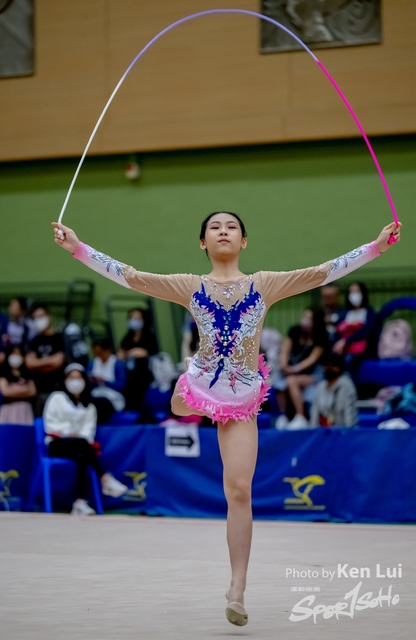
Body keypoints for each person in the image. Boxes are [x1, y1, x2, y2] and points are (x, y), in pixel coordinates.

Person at [52, 213, 400, 626]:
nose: (222, 230)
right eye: (214, 226)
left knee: (238, 490)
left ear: (244, 241)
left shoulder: (264, 284)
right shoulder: (190, 286)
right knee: (178, 404)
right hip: (201, 385)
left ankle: (237, 587)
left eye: (231, 226)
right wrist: (78, 249)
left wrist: (376, 247)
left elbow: (323, 272)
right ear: (203, 242)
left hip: (240, 399)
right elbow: (131, 276)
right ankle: (191, 390)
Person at [43, 363, 128, 515]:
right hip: (57, 444)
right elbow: (50, 423)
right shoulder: (56, 398)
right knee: (82, 444)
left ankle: (79, 503)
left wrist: (79, 437)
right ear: (65, 380)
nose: (75, 382)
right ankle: (105, 478)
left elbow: (89, 431)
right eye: (71, 378)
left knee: (82, 455)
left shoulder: (89, 406)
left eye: (79, 378)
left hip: (79, 446)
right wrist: (68, 432)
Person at [274, 307, 328, 430]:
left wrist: (294, 369)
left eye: (309, 318)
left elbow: (312, 359)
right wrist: (284, 365)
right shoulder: (294, 330)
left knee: (292, 381)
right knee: (278, 381)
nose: (305, 320)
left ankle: (301, 417)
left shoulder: (321, 336)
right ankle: (283, 416)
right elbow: (285, 350)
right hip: (293, 369)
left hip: (313, 373)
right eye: (304, 317)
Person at [25, 305, 66, 415]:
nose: (38, 320)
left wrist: (38, 363)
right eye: (35, 318)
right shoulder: (34, 341)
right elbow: (29, 363)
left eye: (41, 316)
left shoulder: (60, 338)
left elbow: (58, 362)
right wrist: (50, 361)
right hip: (39, 390)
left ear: (49, 317)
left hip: (58, 389)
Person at [117, 308, 158, 411]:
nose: (134, 320)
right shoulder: (127, 337)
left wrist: (129, 353)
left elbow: (144, 352)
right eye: (132, 318)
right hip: (129, 374)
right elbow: (121, 352)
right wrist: (127, 353)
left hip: (145, 374)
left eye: (137, 318)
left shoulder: (149, 336)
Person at [333, 282, 376, 376]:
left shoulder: (369, 312)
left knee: (349, 359)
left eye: (357, 291)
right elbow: (337, 331)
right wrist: (337, 343)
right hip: (343, 348)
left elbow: (366, 332)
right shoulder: (345, 314)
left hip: (362, 349)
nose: (354, 294)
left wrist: (346, 340)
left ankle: (350, 384)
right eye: (351, 292)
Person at [310, 353, 358, 428]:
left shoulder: (347, 386)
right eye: (326, 365)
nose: (329, 368)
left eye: (332, 366)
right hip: (323, 431)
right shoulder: (320, 387)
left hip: (342, 431)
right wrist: (313, 431)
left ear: (339, 368)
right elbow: (314, 417)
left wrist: (348, 432)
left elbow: (350, 419)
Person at [88, 338, 127, 423]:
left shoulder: (117, 364)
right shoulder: (92, 363)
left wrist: (105, 381)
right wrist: (92, 380)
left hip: (113, 396)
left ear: (107, 350)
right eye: (95, 353)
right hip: (95, 394)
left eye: (100, 352)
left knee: (102, 403)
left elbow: (121, 385)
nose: (98, 355)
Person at [0, 344, 36, 425]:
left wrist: (13, 390)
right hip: (9, 409)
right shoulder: (3, 374)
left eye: (19, 354)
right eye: (13, 353)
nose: (16, 356)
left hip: (25, 410)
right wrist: (25, 390)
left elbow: (32, 392)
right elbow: (6, 392)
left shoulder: (27, 374)